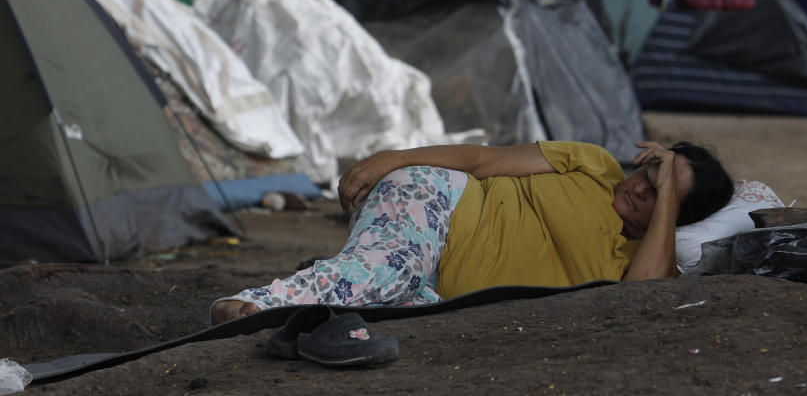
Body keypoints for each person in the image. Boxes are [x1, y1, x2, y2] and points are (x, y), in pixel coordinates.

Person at [211, 139, 734, 324]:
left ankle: (322, 285)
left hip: (439, 293)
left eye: (660, 190)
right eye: (648, 172)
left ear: (675, 214)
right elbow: (482, 162)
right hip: (439, 200)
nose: (642, 187)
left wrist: (668, 192)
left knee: (391, 309)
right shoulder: (593, 164)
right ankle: (257, 301)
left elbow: (643, 299)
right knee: (393, 266)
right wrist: (394, 158)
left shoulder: (644, 260)